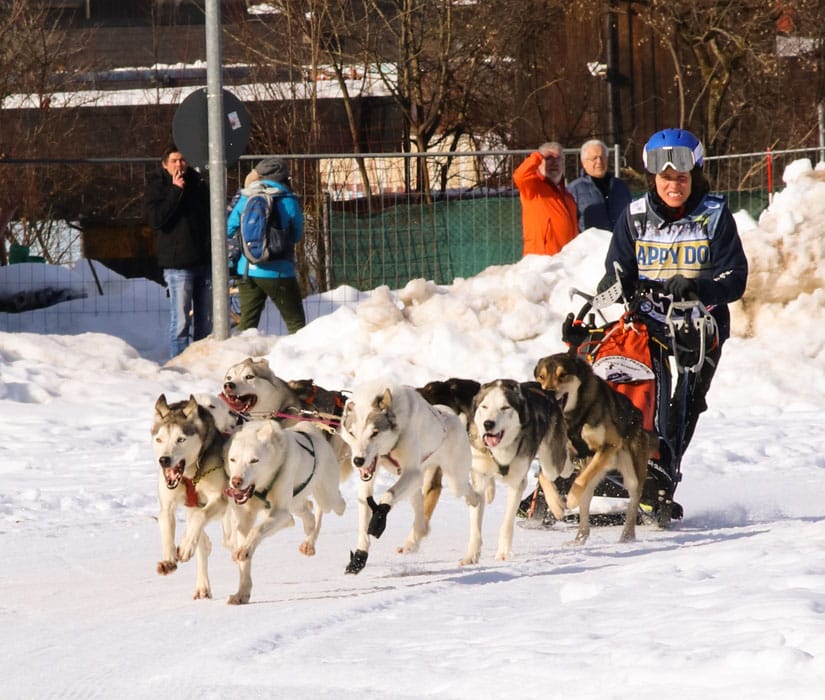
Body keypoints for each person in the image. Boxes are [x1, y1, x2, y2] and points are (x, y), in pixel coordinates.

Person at [605, 127, 748, 486]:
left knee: (687, 399)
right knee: (644, 392)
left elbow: (735, 278)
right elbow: (615, 269)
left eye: (681, 178)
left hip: (703, 324)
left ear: (694, 176)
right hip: (651, 321)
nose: (674, 186)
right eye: (666, 178)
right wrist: (617, 288)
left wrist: (698, 288)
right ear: (653, 179)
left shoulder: (714, 215)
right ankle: (631, 464)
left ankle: (664, 470)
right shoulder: (633, 215)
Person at [144, 144, 212, 359]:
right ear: (165, 165)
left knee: (207, 319)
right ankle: (180, 363)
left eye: (182, 160)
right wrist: (175, 190)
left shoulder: (199, 184)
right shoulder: (158, 187)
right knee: (181, 319)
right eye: (174, 160)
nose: (179, 164)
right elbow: (156, 219)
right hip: (177, 264)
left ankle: (202, 360)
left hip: (204, 260)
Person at [226, 157, 306, 334]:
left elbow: (229, 228)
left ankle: (240, 358)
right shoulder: (288, 200)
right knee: (296, 324)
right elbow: (298, 235)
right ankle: (300, 360)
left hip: (246, 270)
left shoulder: (247, 197)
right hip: (278, 271)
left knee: (247, 326)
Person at [513, 141, 578, 256]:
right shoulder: (533, 187)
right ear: (539, 162)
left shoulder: (567, 195)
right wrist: (537, 156)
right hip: (541, 260)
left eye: (558, 159)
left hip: (566, 260)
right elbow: (519, 176)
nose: (554, 162)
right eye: (548, 158)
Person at [567, 139, 632, 232]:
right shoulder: (574, 190)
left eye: (602, 157)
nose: (599, 162)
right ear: (584, 163)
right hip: (590, 245)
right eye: (594, 158)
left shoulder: (621, 186)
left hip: (618, 244)